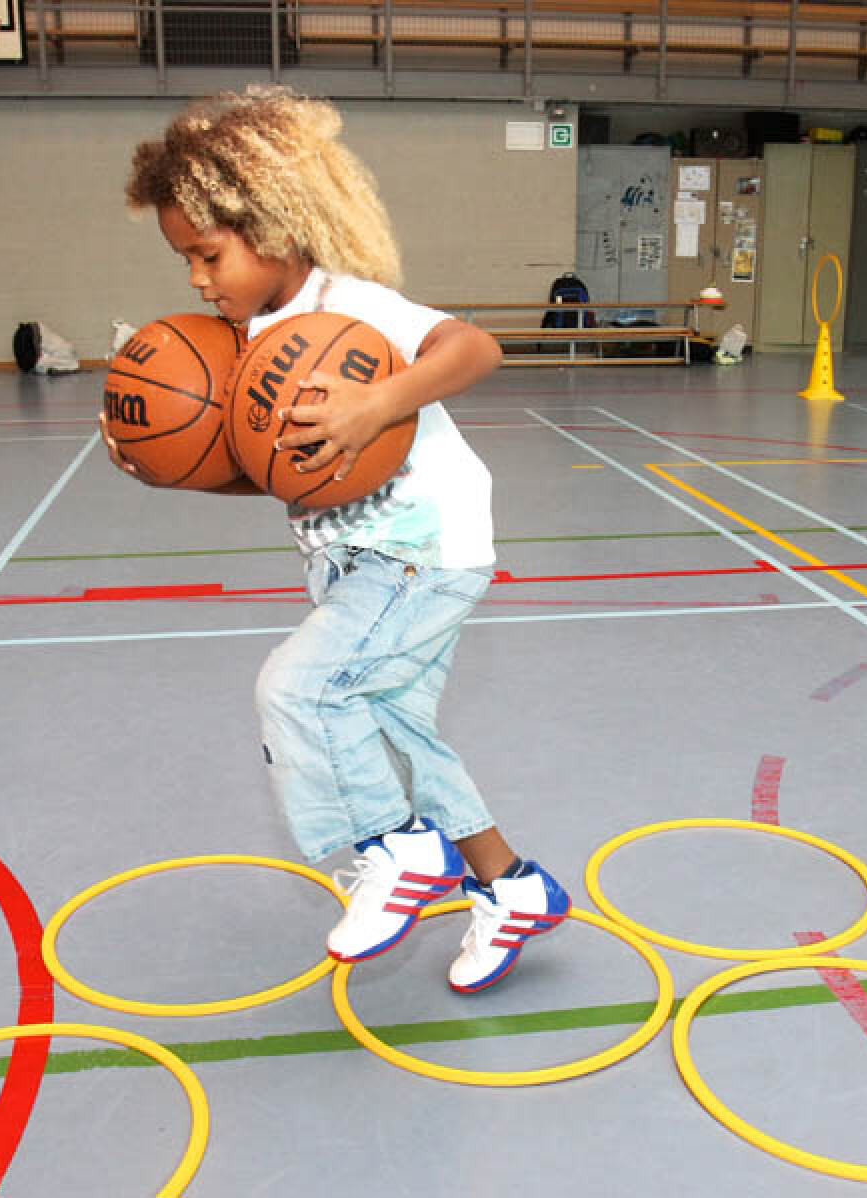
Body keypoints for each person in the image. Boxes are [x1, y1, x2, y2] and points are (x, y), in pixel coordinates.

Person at [102, 86, 569, 993]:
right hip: (354, 559)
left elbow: (476, 349)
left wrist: (379, 401)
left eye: (208, 254)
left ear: (272, 226)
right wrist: (174, 470)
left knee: (298, 690)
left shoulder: (348, 306)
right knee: (396, 730)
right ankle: (514, 890)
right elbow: (278, 469)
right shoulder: (247, 339)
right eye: (184, 261)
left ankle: (398, 851)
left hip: (421, 548)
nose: (196, 279)